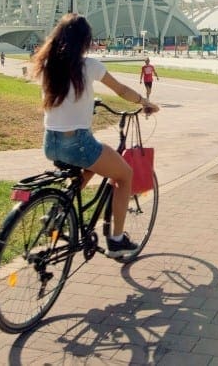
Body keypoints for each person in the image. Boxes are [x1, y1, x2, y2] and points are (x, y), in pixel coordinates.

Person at [31, 13, 159, 259]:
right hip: (77, 143)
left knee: (90, 164)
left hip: (50, 142)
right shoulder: (89, 66)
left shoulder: (47, 65)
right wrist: (144, 102)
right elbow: (121, 89)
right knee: (124, 174)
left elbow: (66, 99)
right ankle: (117, 240)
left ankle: (59, 212)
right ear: (84, 41)